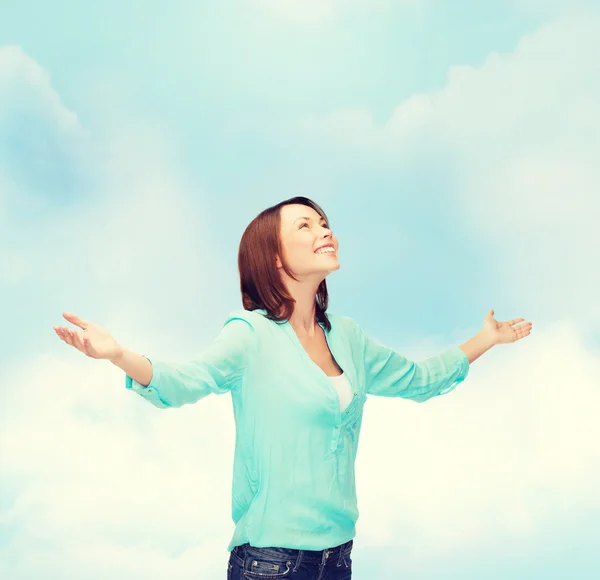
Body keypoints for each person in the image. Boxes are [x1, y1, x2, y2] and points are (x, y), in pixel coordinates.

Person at [53, 196, 532, 579]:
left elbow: (419, 381)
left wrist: (485, 340)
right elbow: (183, 382)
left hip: (338, 558)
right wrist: (117, 353)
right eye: (305, 225)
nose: (324, 229)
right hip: (271, 563)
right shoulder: (250, 335)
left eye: (324, 221)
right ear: (275, 256)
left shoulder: (347, 337)